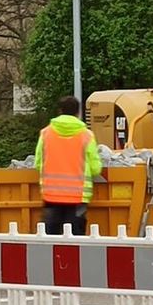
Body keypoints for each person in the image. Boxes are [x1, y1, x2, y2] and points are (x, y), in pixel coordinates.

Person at [34, 95, 102, 235]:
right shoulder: (87, 136)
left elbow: (38, 163)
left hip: (51, 194)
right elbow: (96, 168)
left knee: (50, 236)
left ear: (60, 111)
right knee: (75, 237)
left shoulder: (45, 133)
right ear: (78, 113)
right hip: (78, 196)